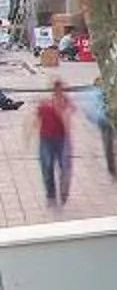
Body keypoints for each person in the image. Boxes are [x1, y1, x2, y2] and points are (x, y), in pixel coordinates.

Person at [34, 80, 72, 210]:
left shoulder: (64, 102)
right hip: (46, 139)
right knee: (47, 166)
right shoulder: (45, 103)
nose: (60, 92)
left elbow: (68, 117)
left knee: (65, 167)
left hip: (61, 139)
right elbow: (35, 119)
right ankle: (51, 194)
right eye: (58, 89)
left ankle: (63, 192)